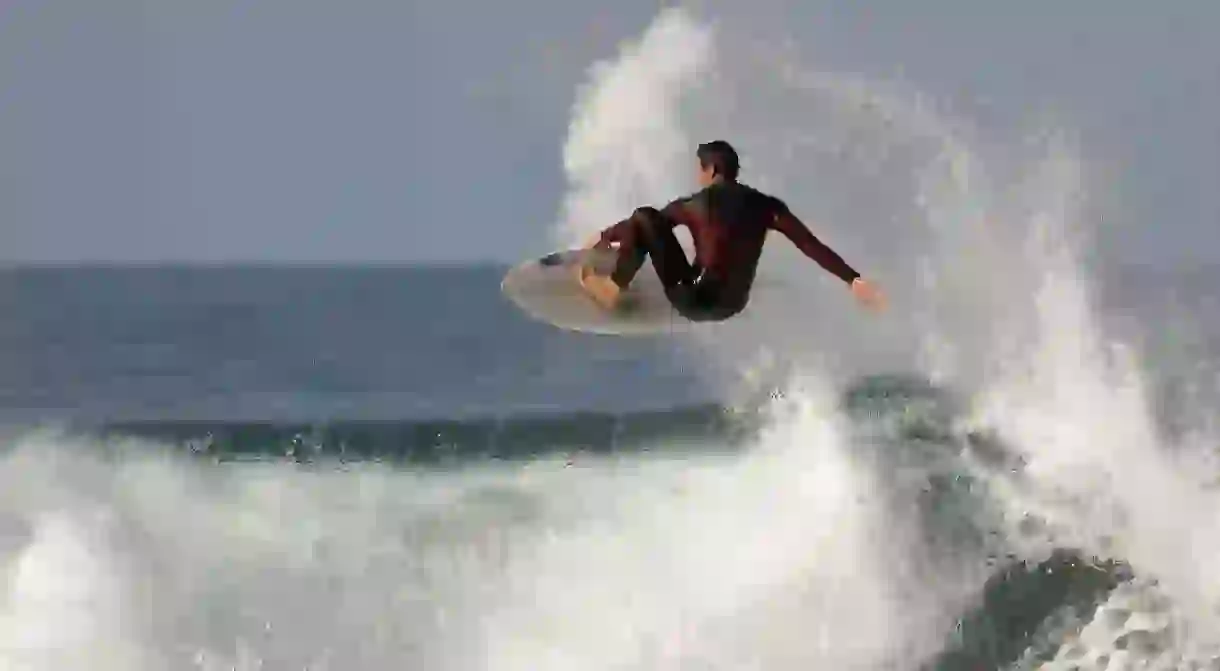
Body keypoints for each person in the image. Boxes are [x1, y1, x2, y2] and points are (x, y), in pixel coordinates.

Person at [576, 140, 886, 321]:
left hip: (695, 300)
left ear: (710, 170)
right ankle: (622, 278)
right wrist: (852, 279)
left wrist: (606, 237)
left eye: (699, 169)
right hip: (734, 305)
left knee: (644, 216)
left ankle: (612, 288)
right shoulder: (767, 206)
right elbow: (809, 245)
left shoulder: (697, 203)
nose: (698, 176)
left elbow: (645, 226)